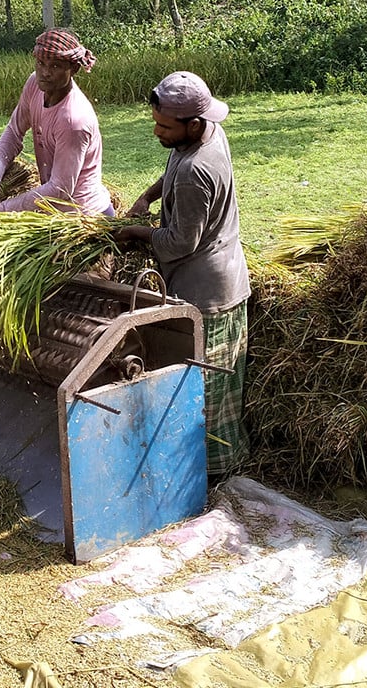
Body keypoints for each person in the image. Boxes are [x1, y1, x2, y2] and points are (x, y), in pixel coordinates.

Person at [113, 72, 251, 476]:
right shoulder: (206, 134)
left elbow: (178, 243)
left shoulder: (197, 173)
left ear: (193, 124)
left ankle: (212, 475)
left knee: (207, 390)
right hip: (212, 277)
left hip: (209, 293)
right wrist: (147, 196)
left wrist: (135, 233)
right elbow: (174, 168)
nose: (156, 131)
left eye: (164, 127)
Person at [0, 29, 113, 215]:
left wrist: (3, 208)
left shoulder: (73, 120)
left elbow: (59, 190)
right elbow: (14, 131)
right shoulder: (35, 85)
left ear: (74, 69)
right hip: (55, 212)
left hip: (84, 216)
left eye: (55, 66)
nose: (45, 72)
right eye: (41, 63)